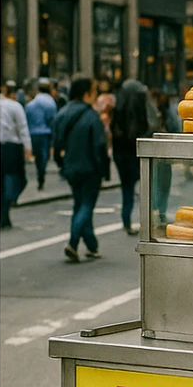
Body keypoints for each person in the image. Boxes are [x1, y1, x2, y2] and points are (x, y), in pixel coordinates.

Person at [51, 76, 110, 261]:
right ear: (86, 93)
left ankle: (92, 245)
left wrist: (61, 164)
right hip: (90, 168)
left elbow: (56, 143)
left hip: (71, 168)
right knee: (86, 206)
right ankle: (73, 242)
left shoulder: (63, 113)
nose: (96, 94)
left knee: (80, 204)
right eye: (94, 91)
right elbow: (99, 146)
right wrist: (103, 170)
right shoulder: (92, 116)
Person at [110, 79, 152, 235]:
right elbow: (144, 130)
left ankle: (126, 220)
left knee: (126, 189)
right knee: (146, 189)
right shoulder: (138, 112)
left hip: (121, 156)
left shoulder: (118, 110)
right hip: (134, 155)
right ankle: (150, 221)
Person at [0, 82, 32, 229]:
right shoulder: (15, 106)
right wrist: (28, 147)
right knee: (16, 179)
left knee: (1, 182)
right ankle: (5, 210)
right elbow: (23, 127)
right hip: (11, 148)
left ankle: (2, 211)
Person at [149, 89, 181, 227]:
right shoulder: (167, 111)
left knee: (156, 182)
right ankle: (159, 212)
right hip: (164, 150)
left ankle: (156, 212)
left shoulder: (150, 110)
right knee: (162, 183)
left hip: (153, 151)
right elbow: (176, 127)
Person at [24, 77, 58, 192]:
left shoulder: (32, 103)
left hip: (33, 133)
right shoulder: (50, 102)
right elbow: (52, 120)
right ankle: (41, 177)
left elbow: (27, 116)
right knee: (44, 157)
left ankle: (40, 174)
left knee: (38, 157)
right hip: (45, 134)